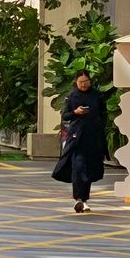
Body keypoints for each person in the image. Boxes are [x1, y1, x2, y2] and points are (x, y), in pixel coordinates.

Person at [54, 69, 109, 213]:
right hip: (77, 137)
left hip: (93, 137)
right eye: (80, 82)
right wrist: (75, 112)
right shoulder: (72, 96)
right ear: (76, 82)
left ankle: (84, 199)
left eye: (86, 82)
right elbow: (65, 115)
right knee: (78, 166)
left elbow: (103, 114)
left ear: (90, 81)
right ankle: (78, 198)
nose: (83, 84)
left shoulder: (97, 95)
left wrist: (100, 128)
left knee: (89, 168)